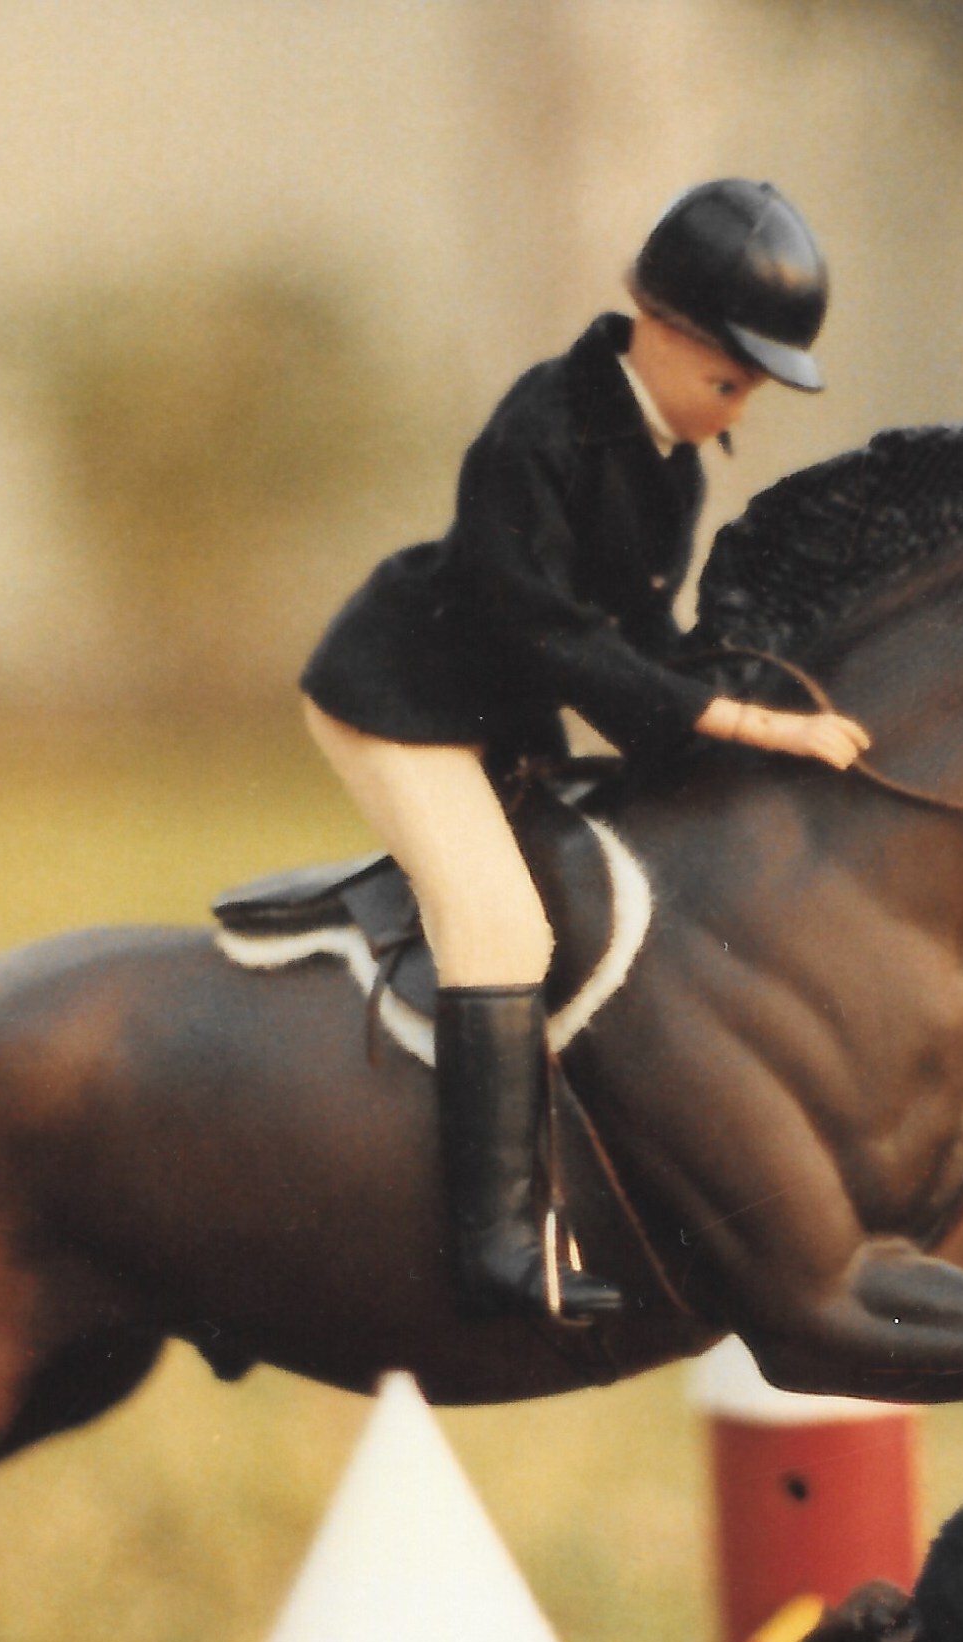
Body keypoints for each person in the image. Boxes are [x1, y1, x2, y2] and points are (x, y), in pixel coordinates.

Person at [299, 179, 870, 1323]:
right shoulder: (540, 429)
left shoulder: (671, 462)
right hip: (402, 704)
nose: (739, 405)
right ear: (666, 331)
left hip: (504, 713)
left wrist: (737, 693)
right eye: (730, 377)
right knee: (498, 922)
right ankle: (497, 1250)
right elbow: (549, 630)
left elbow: (645, 634)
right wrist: (740, 724)